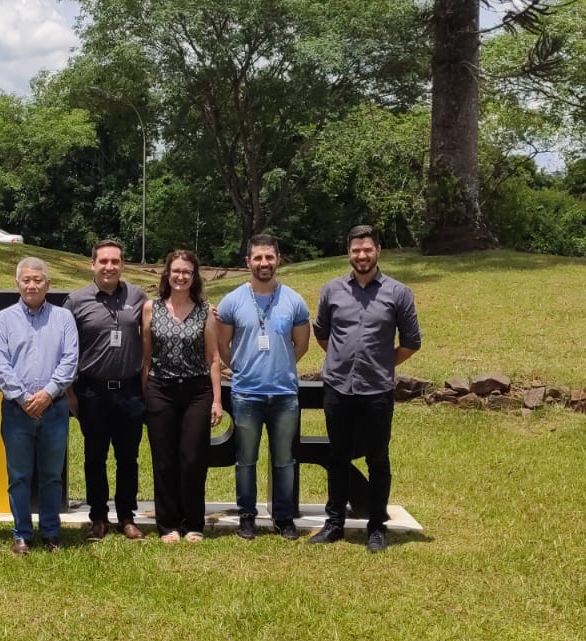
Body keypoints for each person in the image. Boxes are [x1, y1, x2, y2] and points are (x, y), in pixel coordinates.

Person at [310, 225, 422, 552]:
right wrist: (341, 360)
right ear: (349, 253)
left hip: (376, 391)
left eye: (367, 249)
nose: (362, 255)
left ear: (378, 251)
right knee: (338, 456)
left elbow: (412, 342)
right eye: (356, 250)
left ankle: (376, 526)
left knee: (377, 459)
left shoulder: (398, 293)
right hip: (338, 389)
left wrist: (384, 364)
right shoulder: (331, 290)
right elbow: (322, 334)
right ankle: (334, 524)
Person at [215, 234, 311, 540]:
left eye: (269, 257)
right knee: (246, 460)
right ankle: (247, 516)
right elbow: (222, 344)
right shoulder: (232, 301)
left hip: (284, 395)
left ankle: (284, 518)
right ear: (248, 262)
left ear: (278, 259)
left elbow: (301, 345)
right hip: (246, 395)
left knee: (284, 460)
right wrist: (243, 368)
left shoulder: (294, 300)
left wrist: (279, 367)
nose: (264, 263)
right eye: (257, 257)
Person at [0, 258, 78, 555]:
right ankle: (22, 535)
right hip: (17, 411)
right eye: (26, 279)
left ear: (47, 284)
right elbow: (0, 365)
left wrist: (47, 394)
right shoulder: (3, 319)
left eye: (38, 280)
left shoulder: (64, 318)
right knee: (19, 476)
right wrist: (24, 398)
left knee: (52, 476)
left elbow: (70, 361)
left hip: (54, 409)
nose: (32, 285)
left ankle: (51, 533)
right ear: (17, 284)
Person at [63, 240, 148, 542]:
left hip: (129, 390)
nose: (109, 267)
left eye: (115, 261)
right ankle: (97, 517)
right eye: (103, 262)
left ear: (123, 265)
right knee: (94, 457)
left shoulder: (137, 296)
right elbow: (66, 348)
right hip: (91, 392)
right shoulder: (76, 301)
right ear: (93, 265)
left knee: (128, 458)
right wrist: (70, 392)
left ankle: (127, 516)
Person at [140, 250, 222, 543]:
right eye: (176, 270)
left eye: (187, 271)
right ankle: (168, 525)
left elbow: (213, 358)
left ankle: (194, 523)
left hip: (197, 391)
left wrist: (216, 400)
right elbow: (146, 357)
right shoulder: (151, 308)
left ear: (194, 276)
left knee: (192, 459)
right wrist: (144, 394)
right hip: (160, 390)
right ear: (167, 273)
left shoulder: (205, 310)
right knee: (163, 460)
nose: (181, 276)